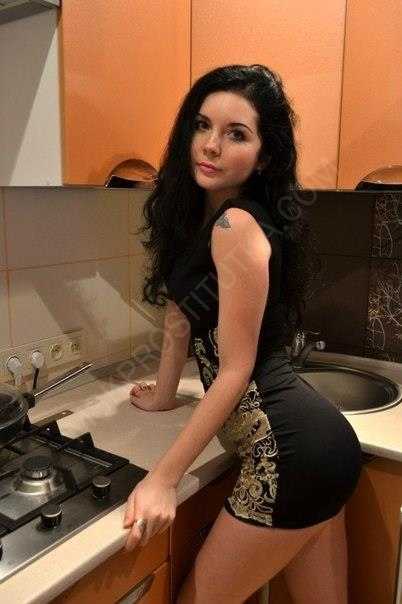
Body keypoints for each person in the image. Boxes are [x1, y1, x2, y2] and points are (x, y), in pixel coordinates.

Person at [123, 64, 362, 603]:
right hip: (315, 449)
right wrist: (164, 395)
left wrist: (163, 478)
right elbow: (180, 317)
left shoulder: (237, 226)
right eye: (202, 125)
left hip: (289, 455)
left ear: (264, 156)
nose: (210, 145)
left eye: (236, 134)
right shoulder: (201, 219)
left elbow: (235, 370)